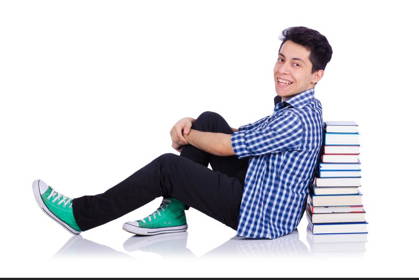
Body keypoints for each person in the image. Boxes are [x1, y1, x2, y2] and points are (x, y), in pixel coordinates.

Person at [32, 26, 333, 239]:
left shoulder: (295, 118)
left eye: (296, 64)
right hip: (260, 187)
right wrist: (194, 124)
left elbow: (228, 146)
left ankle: (80, 214)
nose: (282, 70)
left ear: (315, 76)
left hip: (261, 213)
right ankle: (174, 212)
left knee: (168, 166)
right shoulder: (299, 107)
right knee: (209, 119)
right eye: (281, 59)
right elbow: (243, 133)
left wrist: (186, 135)